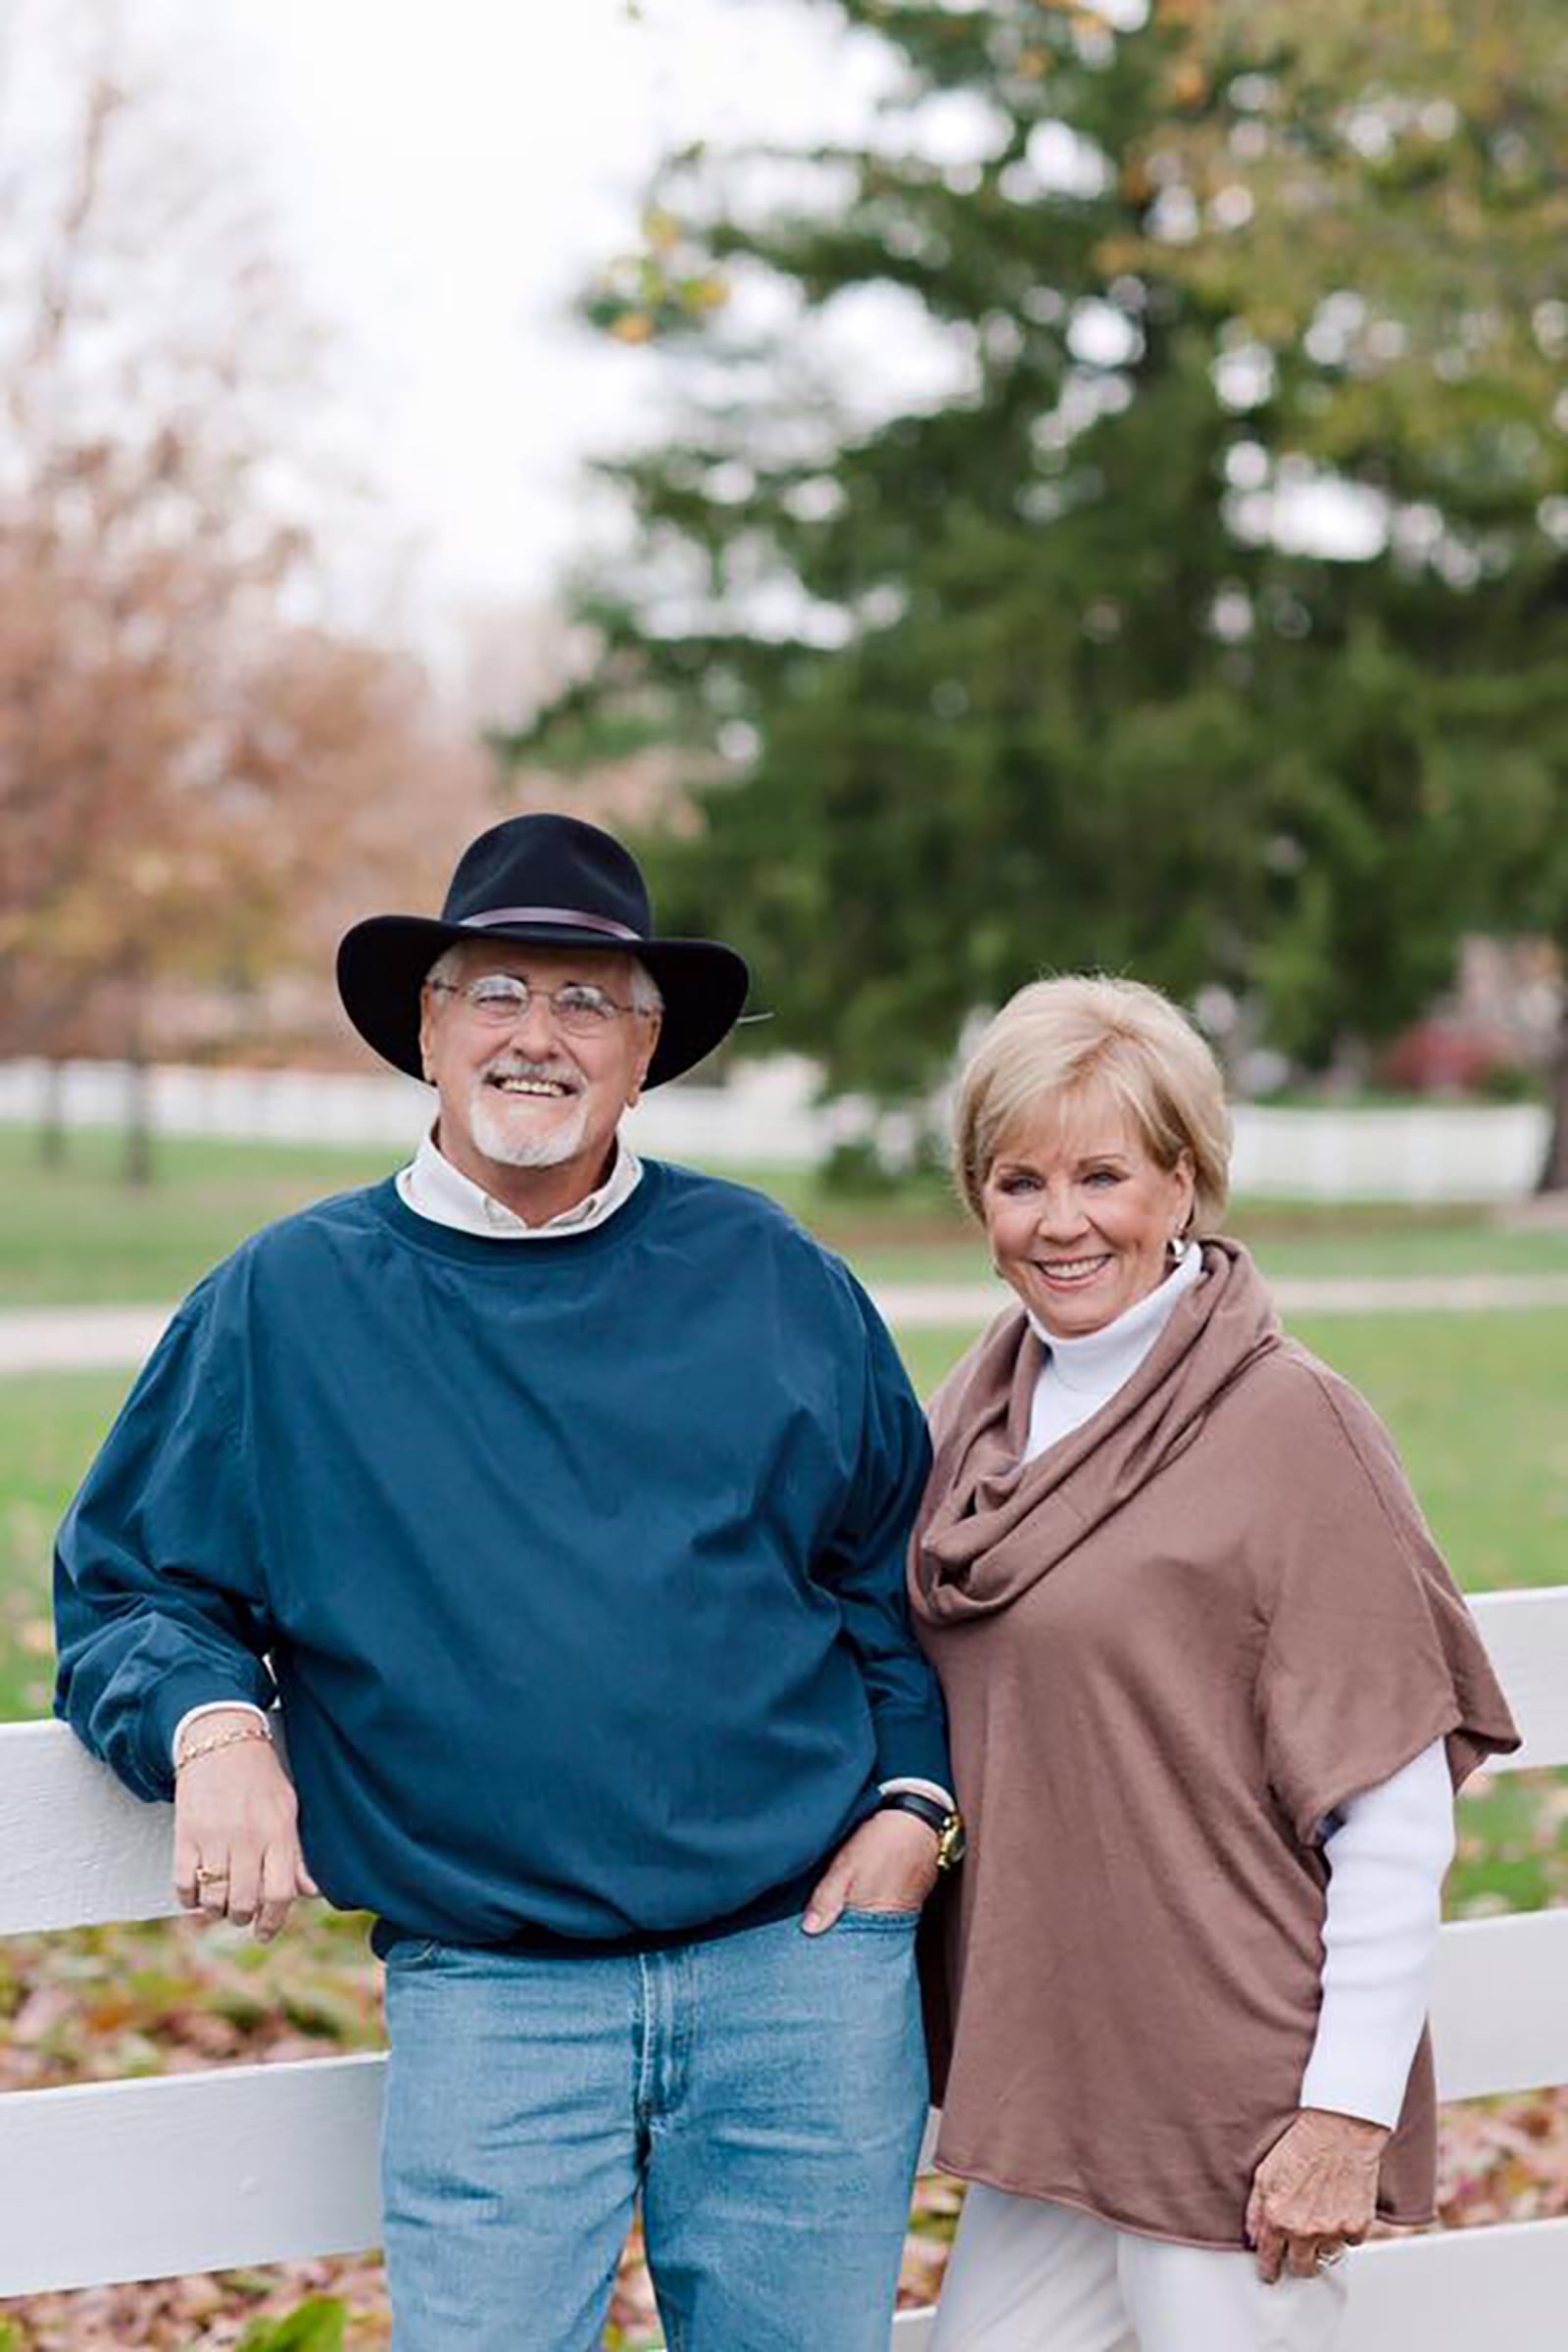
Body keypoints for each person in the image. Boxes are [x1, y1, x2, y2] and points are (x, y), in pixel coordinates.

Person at [54, 811, 964, 2352]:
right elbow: (132, 1588)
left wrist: (914, 1813)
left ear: (646, 1045)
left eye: (586, 1000)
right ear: (427, 1026)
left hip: (797, 1980)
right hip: (493, 1997)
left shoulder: (772, 1277)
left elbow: (896, 1580)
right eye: (496, 992)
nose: (536, 1036)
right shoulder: (289, 1304)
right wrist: (213, 1732)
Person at [906, 974, 1518, 2352]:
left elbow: (1394, 1804)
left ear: (1183, 1183)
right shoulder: (977, 1412)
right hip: (1055, 2083)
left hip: (1237, 2099)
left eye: (1104, 1174)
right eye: (1019, 1181)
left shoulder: (1291, 1423)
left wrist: (1343, 2114)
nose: (1060, 1222)